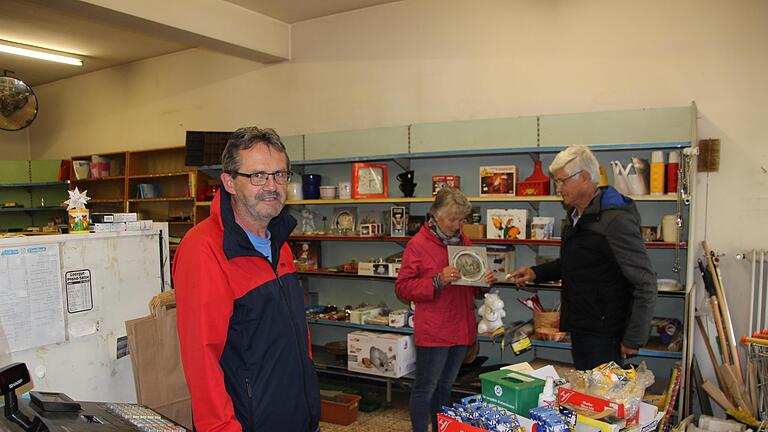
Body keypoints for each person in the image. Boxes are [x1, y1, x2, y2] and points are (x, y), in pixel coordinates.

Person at [174, 127, 320, 431]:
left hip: (298, 415)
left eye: (280, 175)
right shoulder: (204, 248)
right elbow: (201, 358)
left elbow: (296, 335)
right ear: (229, 182)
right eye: (258, 176)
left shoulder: (279, 240)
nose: (272, 186)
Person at [507, 145, 656, 370]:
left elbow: (645, 281)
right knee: (585, 397)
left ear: (585, 177)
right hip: (581, 325)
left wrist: (634, 337)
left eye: (562, 181)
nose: (558, 188)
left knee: (604, 400)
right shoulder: (576, 218)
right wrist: (535, 273)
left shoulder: (614, 220)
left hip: (606, 332)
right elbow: (572, 264)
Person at [395, 187, 495, 432]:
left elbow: (471, 289)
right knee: (425, 388)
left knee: (445, 387)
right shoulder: (417, 245)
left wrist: (483, 282)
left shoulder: (464, 242)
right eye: (452, 219)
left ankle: (442, 429)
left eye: (461, 219)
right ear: (435, 215)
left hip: (461, 327)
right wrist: (436, 281)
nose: (457, 225)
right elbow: (403, 288)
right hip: (434, 331)